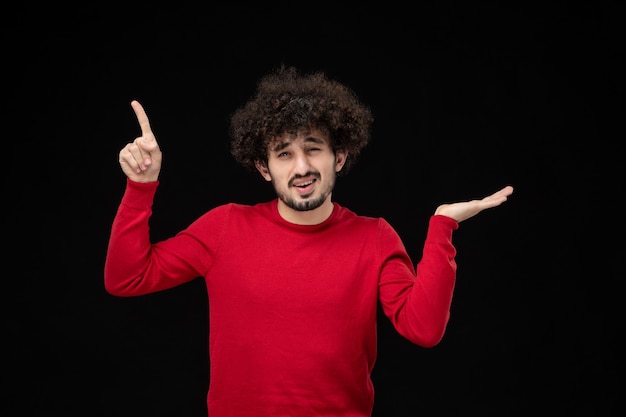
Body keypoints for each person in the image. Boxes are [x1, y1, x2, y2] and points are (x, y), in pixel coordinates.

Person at [105, 65, 514, 416]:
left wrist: (442, 227)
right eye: (284, 154)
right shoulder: (225, 227)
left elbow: (423, 329)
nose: (302, 167)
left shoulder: (373, 237)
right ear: (263, 167)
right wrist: (141, 187)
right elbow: (127, 278)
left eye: (313, 149)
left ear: (338, 157)